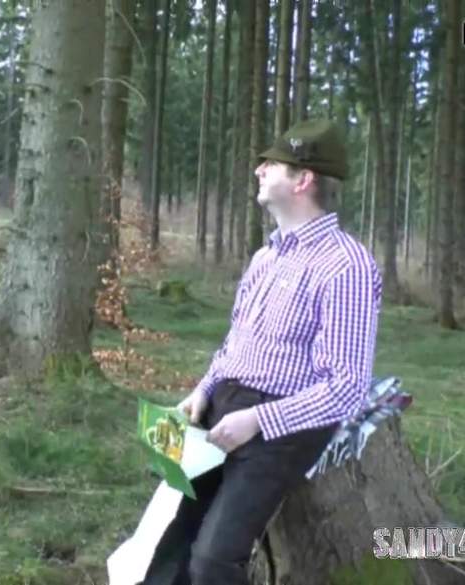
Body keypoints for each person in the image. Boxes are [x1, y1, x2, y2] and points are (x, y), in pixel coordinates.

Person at [141, 119, 383, 585]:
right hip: (221, 407)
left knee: (212, 561)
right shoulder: (265, 257)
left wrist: (257, 421)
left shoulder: (346, 265)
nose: (258, 170)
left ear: (303, 179)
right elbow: (235, 343)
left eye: (271, 164)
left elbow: (347, 388)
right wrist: (203, 389)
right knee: (167, 543)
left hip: (282, 426)